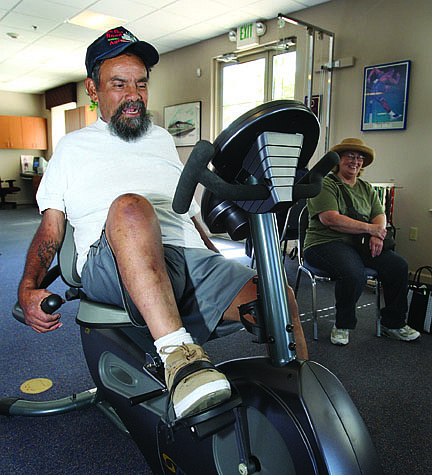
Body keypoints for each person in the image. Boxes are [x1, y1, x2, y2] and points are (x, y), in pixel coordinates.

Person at [17, 27, 307, 419]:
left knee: (277, 296)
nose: (133, 95)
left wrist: (216, 260)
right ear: (93, 89)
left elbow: (185, 214)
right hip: (113, 260)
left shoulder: (161, 140)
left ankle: (301, 403)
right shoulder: (72, 148)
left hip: (184, 258)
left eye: (141, 84)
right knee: (132, 208)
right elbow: (51, 229)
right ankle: (181, 361)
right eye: (119, 84)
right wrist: (28, 287)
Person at [303, 137, 420, 345]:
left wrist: (377, 233)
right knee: (353, 272)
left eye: (359, 157)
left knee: (398, 266)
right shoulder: (324, 184)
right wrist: (370, 229)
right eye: (350, 156)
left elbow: (380, 215)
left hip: (360, 244)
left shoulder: (366, 187)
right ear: (339, 159)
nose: (355, 161)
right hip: (324, 243)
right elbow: (330, 219)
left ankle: (392, 324)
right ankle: (342, 324)